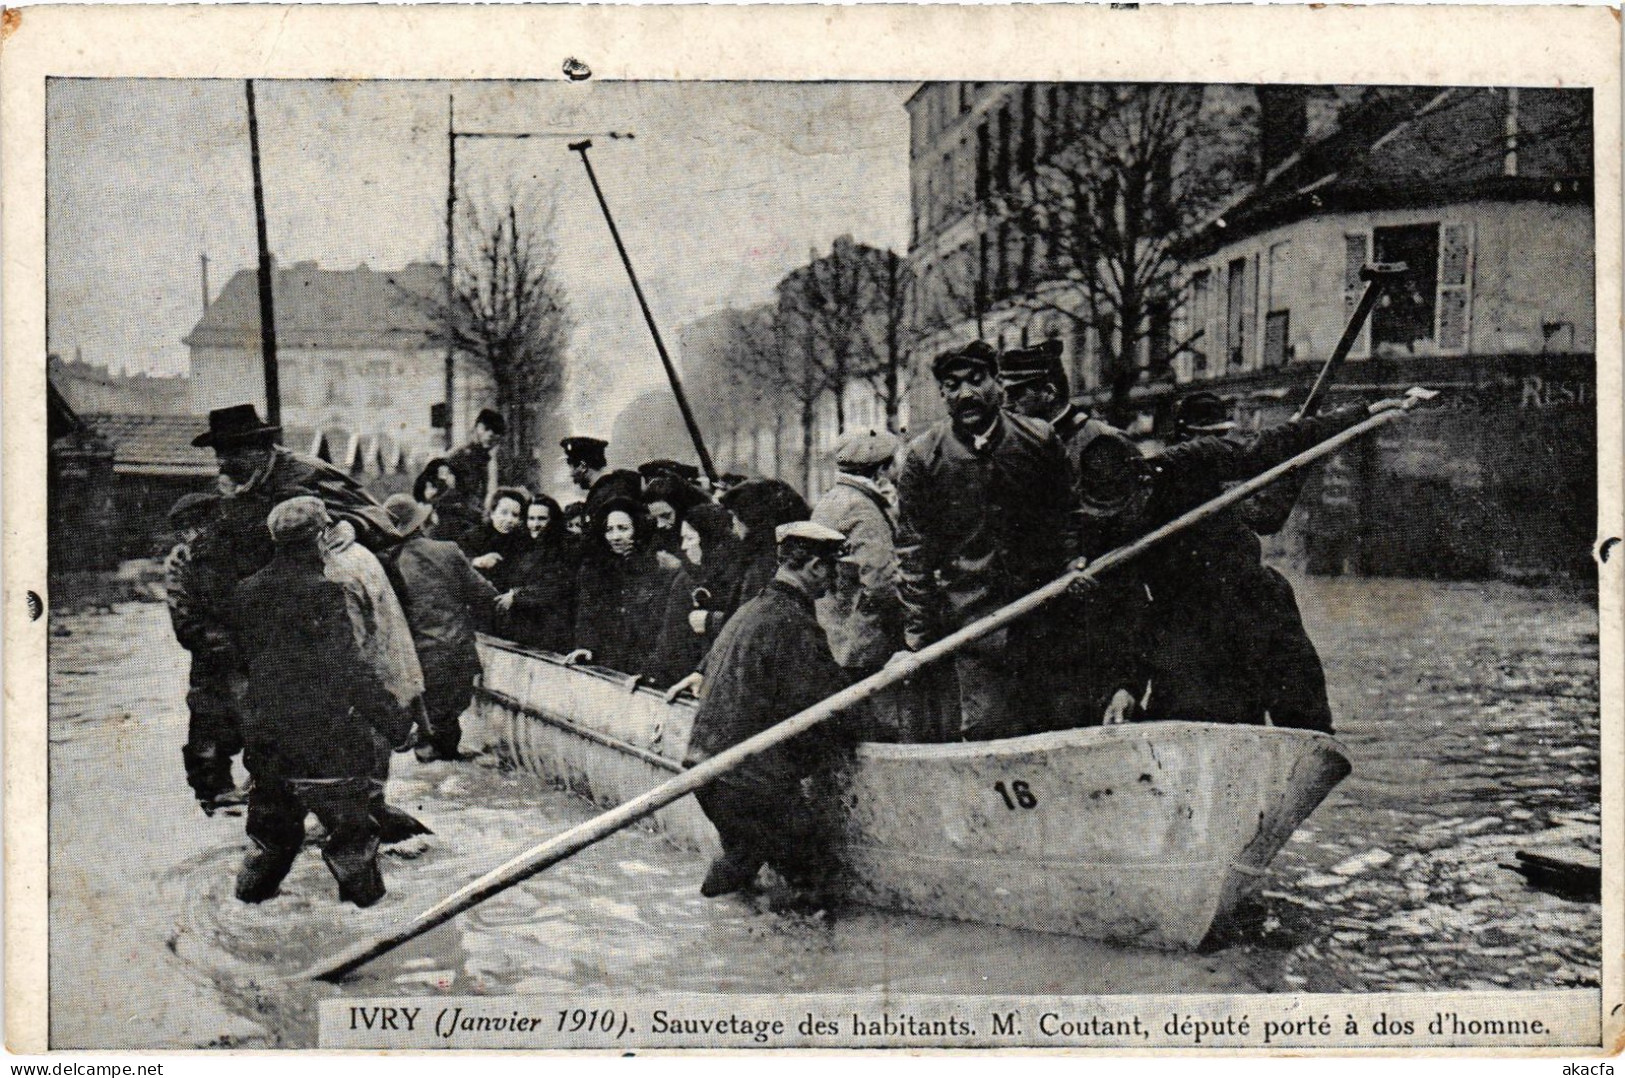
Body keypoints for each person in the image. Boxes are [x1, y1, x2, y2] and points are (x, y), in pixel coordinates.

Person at [1078, 392, 1423, 730]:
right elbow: (1123, 607)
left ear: (1141, 478)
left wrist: (1363, 413)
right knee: (1185, 714)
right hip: (1181, 617)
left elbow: (1279, 447)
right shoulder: (1109, 519)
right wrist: (1125, 684)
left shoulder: (1192, 457)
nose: (1128, 511)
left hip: (1247, 599)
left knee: (1294, 710)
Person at [891, 341, 1082, 741]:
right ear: (941, 393)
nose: (965, 394)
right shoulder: (924, 458)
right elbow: (913, 552)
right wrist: (917, 638)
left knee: (1054, 729)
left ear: (998, 383)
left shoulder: (1039, 440)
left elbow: (1065, 514)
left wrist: (1070, 563)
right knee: (986, 732)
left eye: (977, 380)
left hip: (1043, 618)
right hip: (972, 628)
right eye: (953, 384)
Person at [229, 497, 410, 907]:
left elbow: (237, 672)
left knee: (270, 847)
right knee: (352, 850)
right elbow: (349, 671)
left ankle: (242, 920)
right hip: (328, 747)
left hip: (270, 749)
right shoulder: (326, 594)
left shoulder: (245, 593)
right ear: (319, 538)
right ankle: (369, 942)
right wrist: (396, 724)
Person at [683, 522, 853, 904]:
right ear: (813, 568)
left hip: (708, 773)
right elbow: (829, 707)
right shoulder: (794, 624)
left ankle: (727, 922)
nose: (835, 579)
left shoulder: (750, 611)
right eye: (832, 568)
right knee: (816, 882)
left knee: (745, 864)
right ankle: (796, 954)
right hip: (749, 785)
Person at [999, 342, 1146, 729]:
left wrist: (1126, 677)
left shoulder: (1100, 445)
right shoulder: (1014, 448)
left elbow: (1125, 563)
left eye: (1016, 393)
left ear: (1048, 392)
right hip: (1031, 629)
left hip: (1086, 633)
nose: (1007, 404)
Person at [318, 503, 433, 842]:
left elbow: (348, 651)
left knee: (356, 798)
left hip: (367, 693)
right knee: (370, 788)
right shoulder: (361, 555)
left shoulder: (337, 568)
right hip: (389, 685)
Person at [193, 404, 400, 583]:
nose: (222, 461)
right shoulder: (230, 483)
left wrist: (352, 524)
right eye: (218, 452)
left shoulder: (306, 471)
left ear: (260, 447)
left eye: (233, 452)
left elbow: (379, 515)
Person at [382, 494, 499, 762]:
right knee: (445, 723)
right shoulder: (448, 551)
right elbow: (484, 594)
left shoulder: (389, 562)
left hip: (416, 659)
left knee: (429, 729)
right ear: (421, 523)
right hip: (456, 652)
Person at [162, 491, 246, 814]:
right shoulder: (182, 560)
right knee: (207, 715)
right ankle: (212, 790)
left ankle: (256, 784)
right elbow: (181, 613)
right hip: (209, 650)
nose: (192, 536)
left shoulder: (235, 549)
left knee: (250, 713)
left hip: (240, 647)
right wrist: (208, 639)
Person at [566, 496, 690, 684]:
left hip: (643, 667)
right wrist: (586, 646)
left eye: (623, 529)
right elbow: (587, 614)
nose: (615, 537)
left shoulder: (658, 566)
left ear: (637, 529)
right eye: (609, 530)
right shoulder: (594, 569)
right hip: (607, 662)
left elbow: (664, 624)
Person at [650, 502, 745, 686]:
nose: (684, 547)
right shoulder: (685, 579)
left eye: (690, 538)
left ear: (711, 540)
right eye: (683, 538)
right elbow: (670, 638)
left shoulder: (740, 577)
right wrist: (651, 674)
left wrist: (712, 621)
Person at [497, 494, 577, 653]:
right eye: (531, 518)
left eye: (542, 519)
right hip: (524, 629)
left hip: (553, 632)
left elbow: (557, 586)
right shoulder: (523, 545)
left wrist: (516, 596)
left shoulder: (567, 546)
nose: (535, 524)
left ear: (553, 520)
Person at [718, 478, 811, 608]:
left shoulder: (762, 565)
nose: (733, 522)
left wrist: (711, 620)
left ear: (753, 520)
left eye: (737, 516)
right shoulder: (779, 553)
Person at [457, 486, 534, 591]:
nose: (509, 519)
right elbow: (457, 567)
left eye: (515, 515)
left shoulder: (523, 541)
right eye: (504, 513)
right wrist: (477, 561)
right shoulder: (471, 537)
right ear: (492, 513)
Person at [445, 408, 505, 517]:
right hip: (458, 515)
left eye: (496, 432)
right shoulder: (459, 454)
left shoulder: (489, 458)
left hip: (478, 514)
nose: (490, 435)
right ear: (477, 428)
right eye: (486, 429)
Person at [562, 436, 642, 514]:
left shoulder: (606, 495)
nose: (571, 474)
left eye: (572, 469)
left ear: (583, 467)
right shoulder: (609, 489)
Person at [413, 456, 482, 542]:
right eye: (432, 486)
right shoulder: (424, 509)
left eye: (448, 473)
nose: (444, 479)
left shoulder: (465, 499)